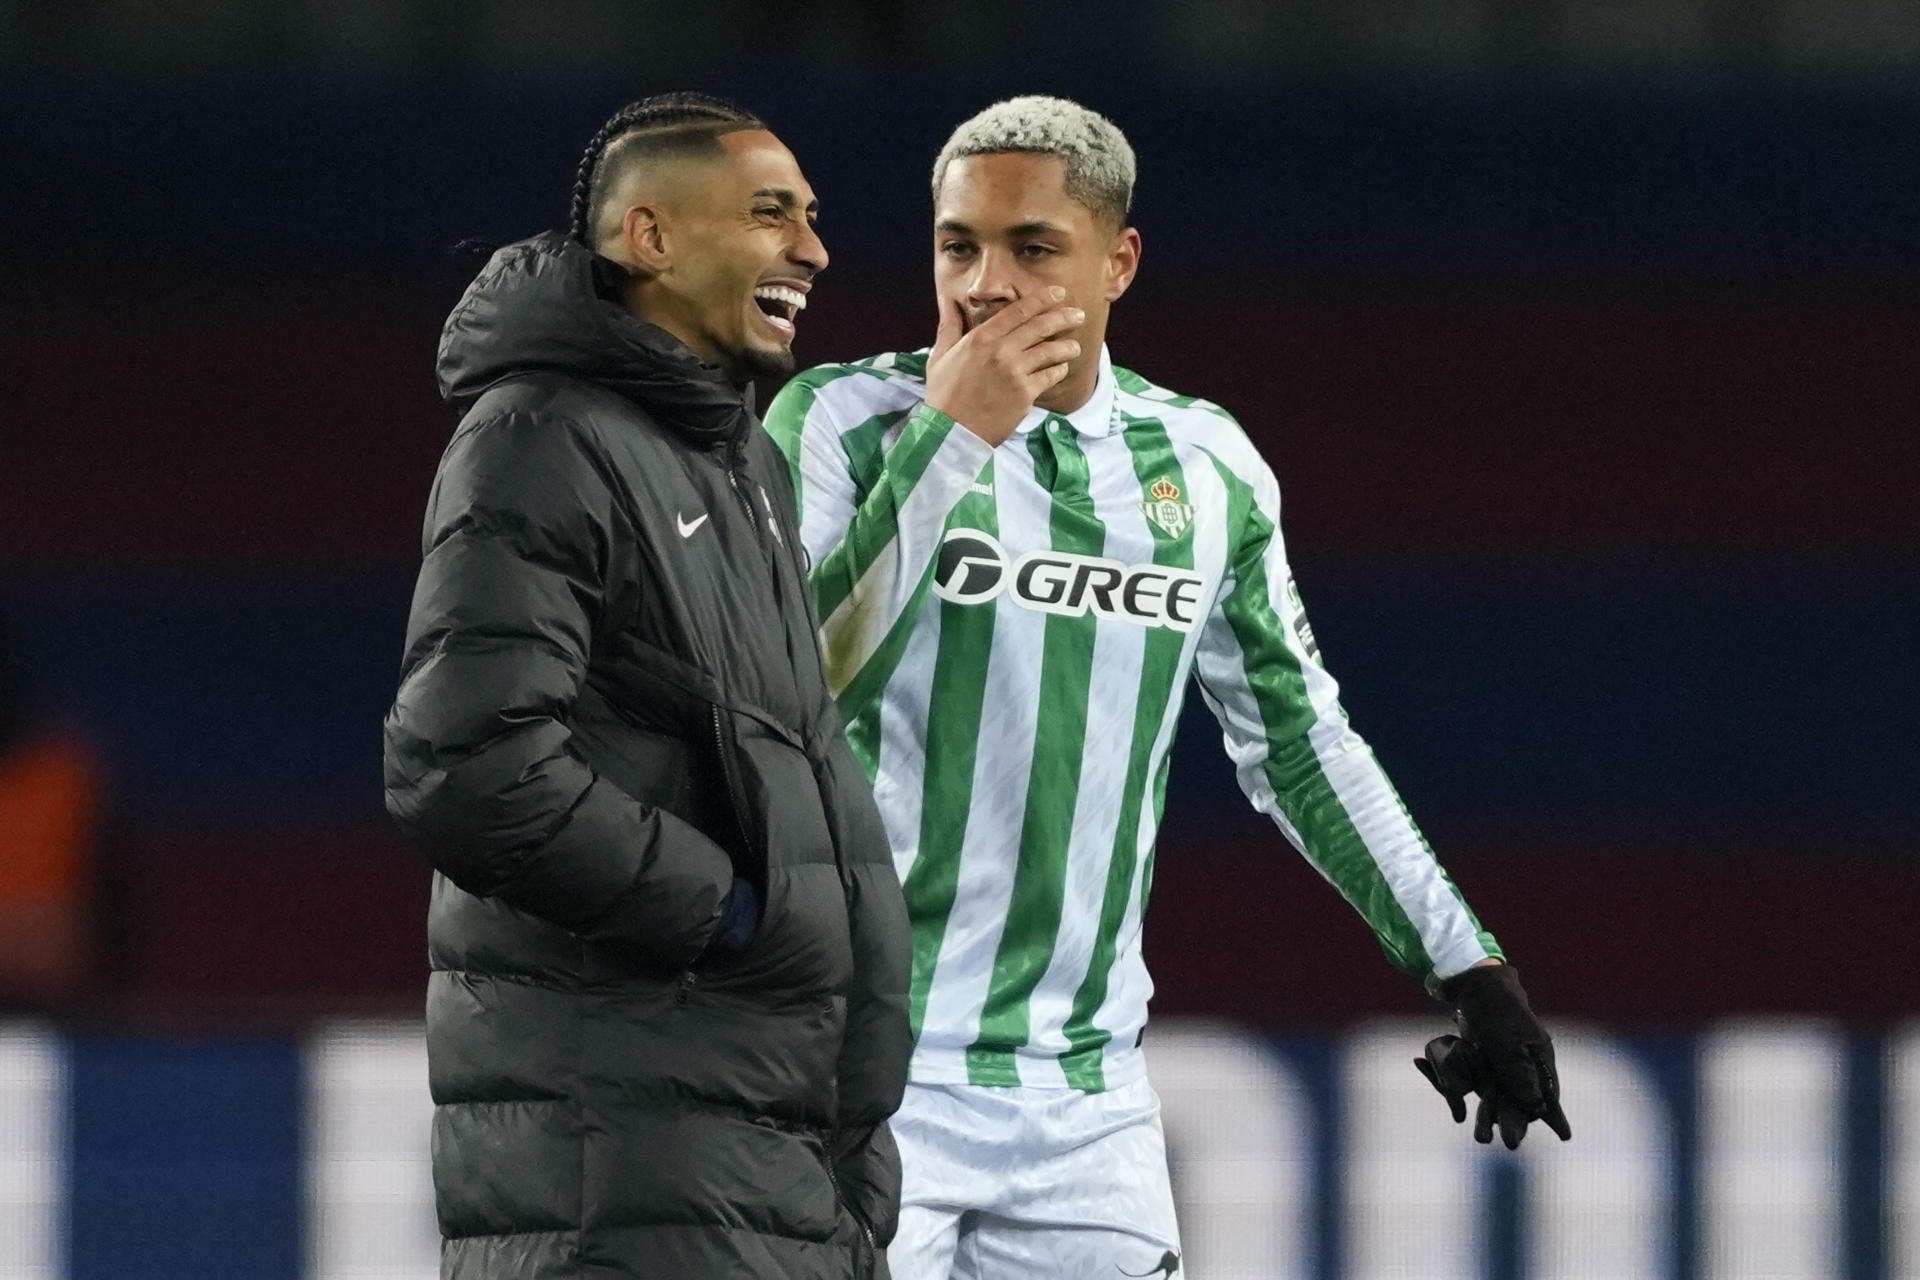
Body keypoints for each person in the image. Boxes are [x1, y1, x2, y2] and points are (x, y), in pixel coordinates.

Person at [764, 95, 1570, 1278]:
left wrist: (1471, 967)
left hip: (1090, 1106)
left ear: (1119, 262)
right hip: (863, 1074)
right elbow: (789, 684)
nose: (985, 284)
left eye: (1033, 249)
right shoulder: (835, 419)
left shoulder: (1207, 464)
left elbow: (1299, 743)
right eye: (958, 245)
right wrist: (954, 439)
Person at [383, 93, 910, 1280]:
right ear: (649, 237)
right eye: (772, 215)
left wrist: (852, 1152)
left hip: (769, 1169)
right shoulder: (541, 436)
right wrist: (728, 913)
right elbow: (465, 766)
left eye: (814, 219)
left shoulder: (745, 465)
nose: (814, 249)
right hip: (628, 1174)